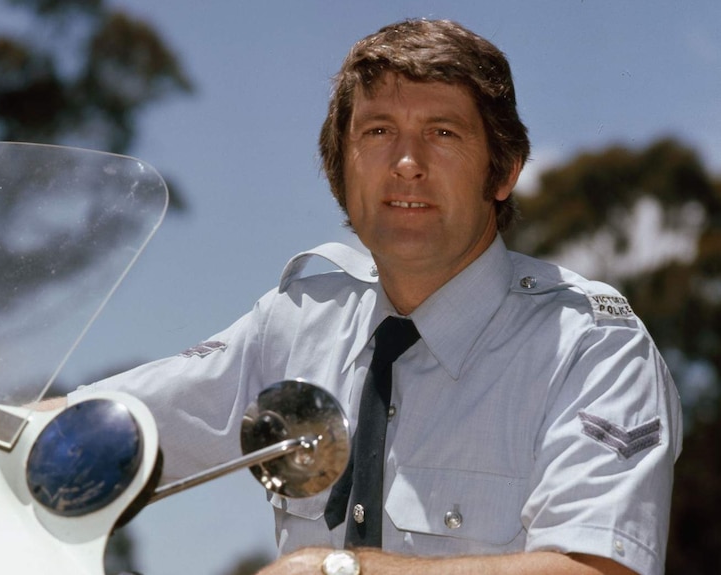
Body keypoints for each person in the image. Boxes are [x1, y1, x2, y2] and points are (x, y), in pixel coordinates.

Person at [71, 19, 681, 575]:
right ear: (340, 170)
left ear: (504, 171)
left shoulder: (592, 346)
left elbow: (599, 571)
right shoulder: (298, 322)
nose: (406, 163)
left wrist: (337, 572)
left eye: (442, 133)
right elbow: (107, 428)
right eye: (378, 131)